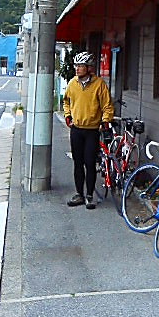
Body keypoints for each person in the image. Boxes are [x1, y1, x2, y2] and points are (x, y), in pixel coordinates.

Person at [63, 51, 114, 209]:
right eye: (76, 66)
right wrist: (68, 115)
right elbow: (66, 101)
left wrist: (105, 120)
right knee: (78, 163)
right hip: (76, 130)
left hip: (92, 130)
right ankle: (79, 194)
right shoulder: (72, 83)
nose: (77, 69)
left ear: (89, 67)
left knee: (90, 163)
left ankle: (90, 195)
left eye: (80, 66)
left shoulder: (99, 84)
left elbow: (107, 106)